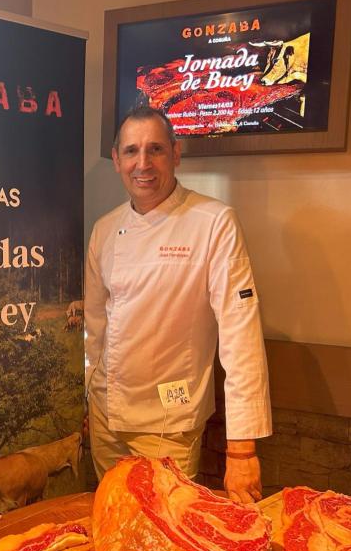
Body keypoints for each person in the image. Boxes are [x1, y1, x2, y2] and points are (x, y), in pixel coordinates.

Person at [84, 106, 272, 503]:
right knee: (113, 527)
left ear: (175, 153)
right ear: (117, 160)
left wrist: (242, 448)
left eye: (155, 149)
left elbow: (241, 334)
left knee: (166, 537)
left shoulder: (214, 222)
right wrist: (89, 397)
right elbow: (95, 325)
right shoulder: (104, 229)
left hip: (169, 425)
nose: (143, 163)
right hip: (106, 418)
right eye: (132, 151)